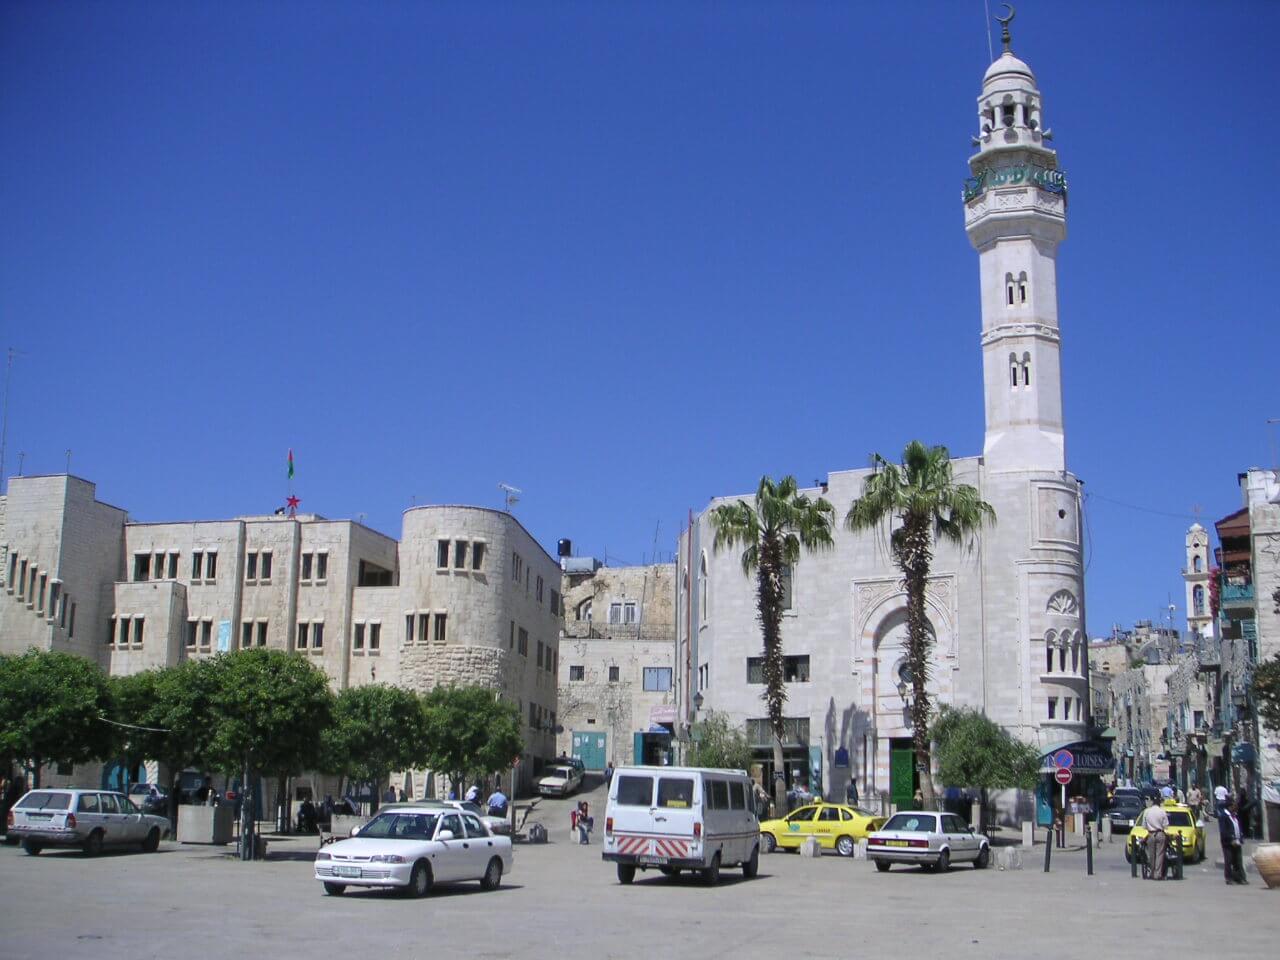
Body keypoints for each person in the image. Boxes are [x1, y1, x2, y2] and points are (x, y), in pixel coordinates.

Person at [1218, 797, 1248, 885]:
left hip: (1237, 842)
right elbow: (1223, 831)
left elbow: (1238, 827)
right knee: (1229, 860)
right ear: (1229, 806)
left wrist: (1241, 838)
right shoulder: (1224, 816)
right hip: (1228, 843)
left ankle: (1240, 878)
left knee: (1238, 861)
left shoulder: (1234, 815)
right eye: (1234, 805)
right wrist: (1231, 839)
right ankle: (1229, 878)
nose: (1236, 806)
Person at [1140, 796, 1170, 880]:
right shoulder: (1162, 812)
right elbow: (1166, 826)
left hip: (1151, 834)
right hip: (1160, 833)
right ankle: (1158, 874)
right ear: (1159, 804)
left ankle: (1151, 873)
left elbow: (1144, 826)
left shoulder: (1147, 812)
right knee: (1159, 855)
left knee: (1151, 855)